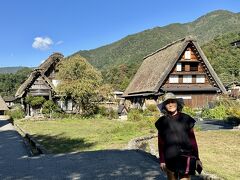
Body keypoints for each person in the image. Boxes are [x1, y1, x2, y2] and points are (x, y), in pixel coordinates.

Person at [155, 93, 202, 180]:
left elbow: (193, 140)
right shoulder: (162, 122)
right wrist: (162, 160)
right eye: (168, 103)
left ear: (177, 103)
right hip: (170, 157)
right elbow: (161, 142)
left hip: (186, 156)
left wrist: (197, 158)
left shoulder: (186, 119)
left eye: (173, 102)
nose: (170, 104)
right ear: (165, 106)